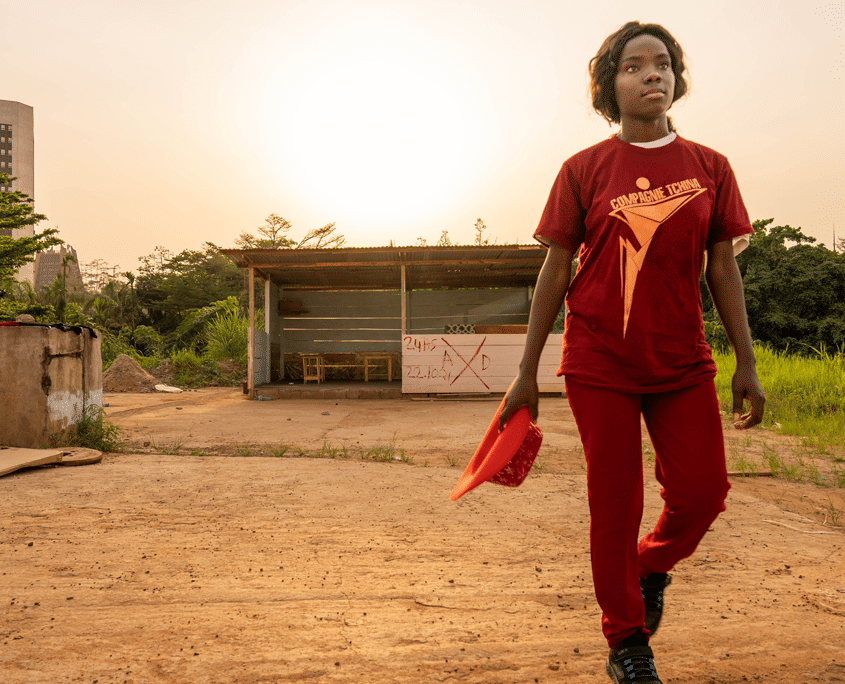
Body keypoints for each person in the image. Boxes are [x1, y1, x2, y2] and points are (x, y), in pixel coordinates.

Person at [497, 21, 765, 684]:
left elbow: (723, 270)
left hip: (680, 360)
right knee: (612, 505)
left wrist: (747, 362)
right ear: (607, 85)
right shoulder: (582, 170)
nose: (653, 74)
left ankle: (649, 567)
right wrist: (526, 371)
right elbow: (553, 273)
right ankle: (625, 643)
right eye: (634, 66)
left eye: (663, 64)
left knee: (702, 494)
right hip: (599, 362)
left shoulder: (710, 168)